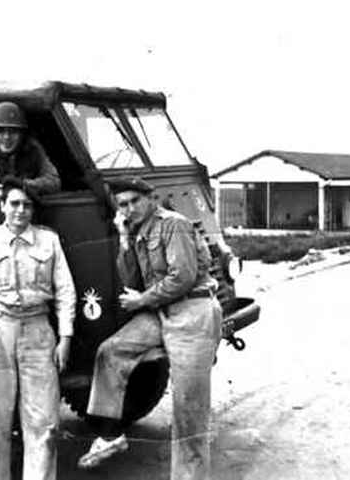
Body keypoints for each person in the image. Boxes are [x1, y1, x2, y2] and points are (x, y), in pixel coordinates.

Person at [77, 177, 222, 480]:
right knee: (110, 352)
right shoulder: (136, 231)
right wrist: (124, 239)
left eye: (134, 201)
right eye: (123, 205)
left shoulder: (174, 224)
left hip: (192, 313)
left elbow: (182, 277)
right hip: (160, 312)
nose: (129, 209)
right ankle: (111, 434)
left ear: (150, 198)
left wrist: (142, 299)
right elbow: (130, 281)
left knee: (188, 414)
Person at [0, 177, 76, 480]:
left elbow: (65, 291)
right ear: (2, 206)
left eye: (27, 205)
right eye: (14, 203)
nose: (21, 210)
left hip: (37, 330)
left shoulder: (48, 241)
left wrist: (65, 337)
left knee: (44, 423)